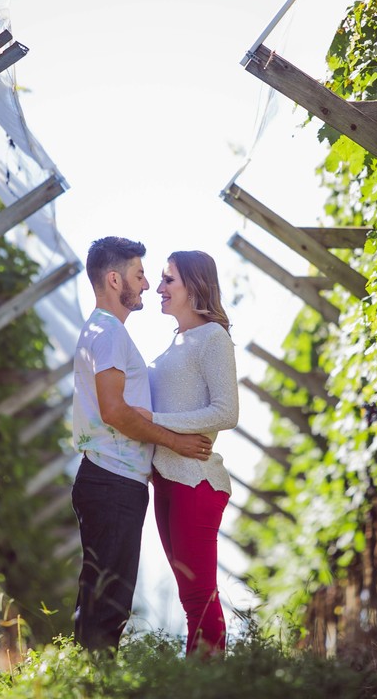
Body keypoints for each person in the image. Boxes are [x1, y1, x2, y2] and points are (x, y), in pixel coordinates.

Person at [70, 236, 214, 652]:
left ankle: (84, 681)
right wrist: (176, 443)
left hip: (109, 478)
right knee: (110, 602)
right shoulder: (110, 334)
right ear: (115, 279)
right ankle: (94, 685)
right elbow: (115, 411)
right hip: (113, 481)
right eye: (139, 274)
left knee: (100, 595)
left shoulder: (99, 329)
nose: (148, 284)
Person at [140, 250, 238, 656]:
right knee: (189, 596)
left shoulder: (214, 337)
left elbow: (226, 411)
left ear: (194, 286)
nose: (159, 288)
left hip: (196, 480)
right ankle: (199, 680)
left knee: (199, 596)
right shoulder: (177, 340)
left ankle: (210, 684)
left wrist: (154, 422)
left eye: (168, 281)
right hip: (166, 479)